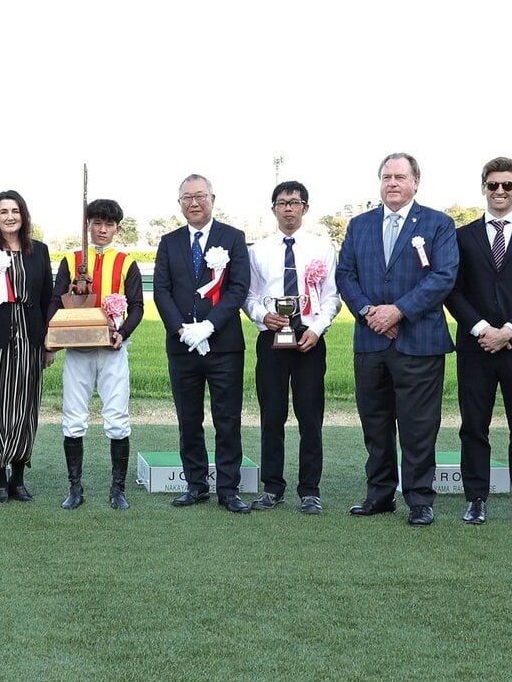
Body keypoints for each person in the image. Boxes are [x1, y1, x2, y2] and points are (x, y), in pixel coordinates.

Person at [335, 152, 460, 526]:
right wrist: (369, 312)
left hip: (419, 342)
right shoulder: (359, 225)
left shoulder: (438, 224)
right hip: (371, 341)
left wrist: (398, 311)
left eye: (400, 177)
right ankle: (379, 494)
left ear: (415, 182)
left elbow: (443, 276)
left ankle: (420, 499)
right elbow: (345, 275)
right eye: (386, 176)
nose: (392, 183)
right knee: (375, 422)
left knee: (418, 426)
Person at [443, 158, 512, 528]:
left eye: (507, 185)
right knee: (474, 427)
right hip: (475, 349)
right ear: (484, 188)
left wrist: (508, 331)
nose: (500, 191)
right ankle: (476, 499)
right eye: (493, 185)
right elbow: (453, 291)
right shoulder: (462, 236)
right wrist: (481, 330)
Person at [151, 174, 252, 513]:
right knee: (189, 419)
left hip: (224, 346)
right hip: (183, 348)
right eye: (187, 198)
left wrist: (209, 326)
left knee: (227, 420)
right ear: (180, 203)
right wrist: (182, 330)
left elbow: (238, 288)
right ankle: (196, 486)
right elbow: (161, 290)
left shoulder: (233, 238)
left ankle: (228, 490)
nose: (193, 203)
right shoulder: (169, 242)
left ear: (212, 199)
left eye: (200, 196)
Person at [245, 181, 342, 515]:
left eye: (295, 202)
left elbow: (332, 296)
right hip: (272, 338)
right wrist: (263, 316)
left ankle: (310, 490)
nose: (288, 208)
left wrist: (317, 329)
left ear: (305, 208)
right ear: (273, 208)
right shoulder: (258, 250)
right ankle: (273, 488)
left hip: (308, 339)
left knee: (310, 417)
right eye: (282, 202)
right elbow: (249, 296)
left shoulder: (322, 248)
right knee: (272, 416)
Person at [51, 199, 144, 509]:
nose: (102, 229)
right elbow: (55, 300)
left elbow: (137, 306)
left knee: (117, 418)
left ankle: (118, 490)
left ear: (117, 228)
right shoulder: (71, 259)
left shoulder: (126, 262)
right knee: (73, 417)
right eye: (97, 223)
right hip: (78, 349)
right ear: (87, 225)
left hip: (112, 350)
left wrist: (123, 332)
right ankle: (75, 489)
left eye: (109, 224)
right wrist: (51, 337)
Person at [0, 191, 56, 502]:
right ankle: (0, 480)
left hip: (30, 340)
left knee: (24, 409)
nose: (9, 217)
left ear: (23, 215)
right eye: (3, 211)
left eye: (15, 211)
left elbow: (47, 300)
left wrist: (49, 343)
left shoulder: (39, 251)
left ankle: (18, 479)